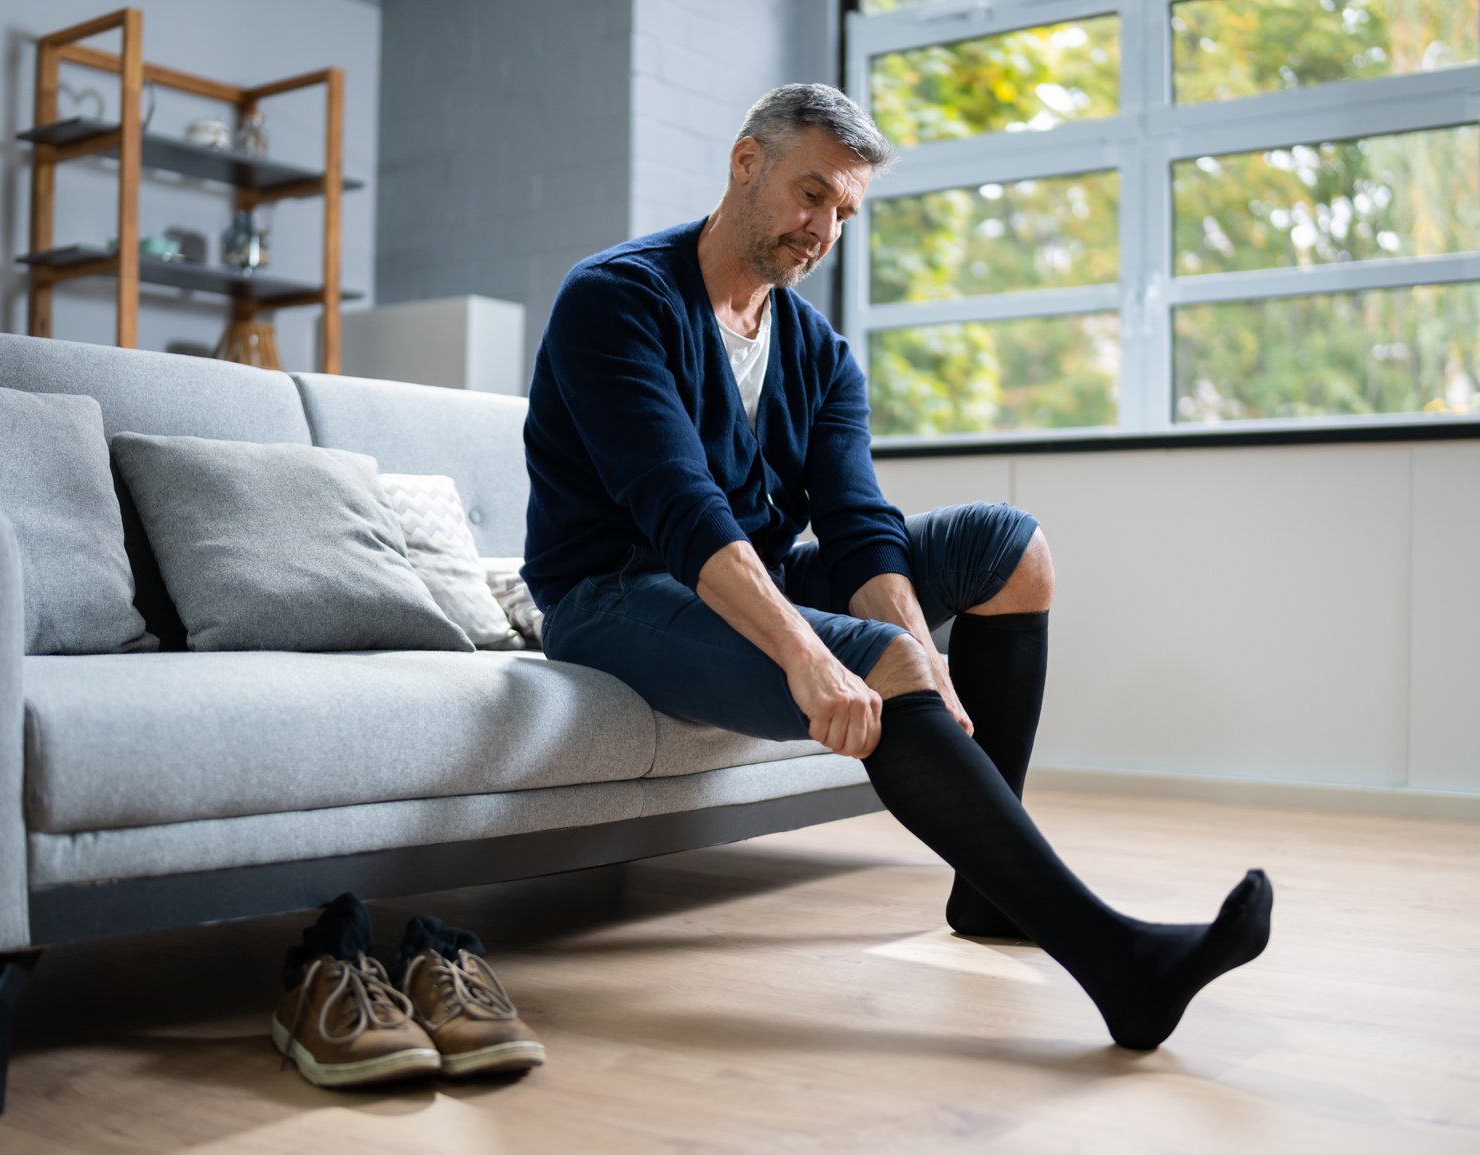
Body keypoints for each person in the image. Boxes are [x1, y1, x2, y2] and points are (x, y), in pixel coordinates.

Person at [520, 83, 1271, 1051]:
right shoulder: (617, 299)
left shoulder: (817, 350)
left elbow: (856, 523)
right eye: (809, 194)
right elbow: (680, 508)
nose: (821, 229)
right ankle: (1122, 966)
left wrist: (925, 652)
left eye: (842, 212)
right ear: (746, 163)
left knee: (1011, 550)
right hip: (615, 592)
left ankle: (989, 896)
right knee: (879, 653)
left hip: (755, 569)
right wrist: (817, 657)